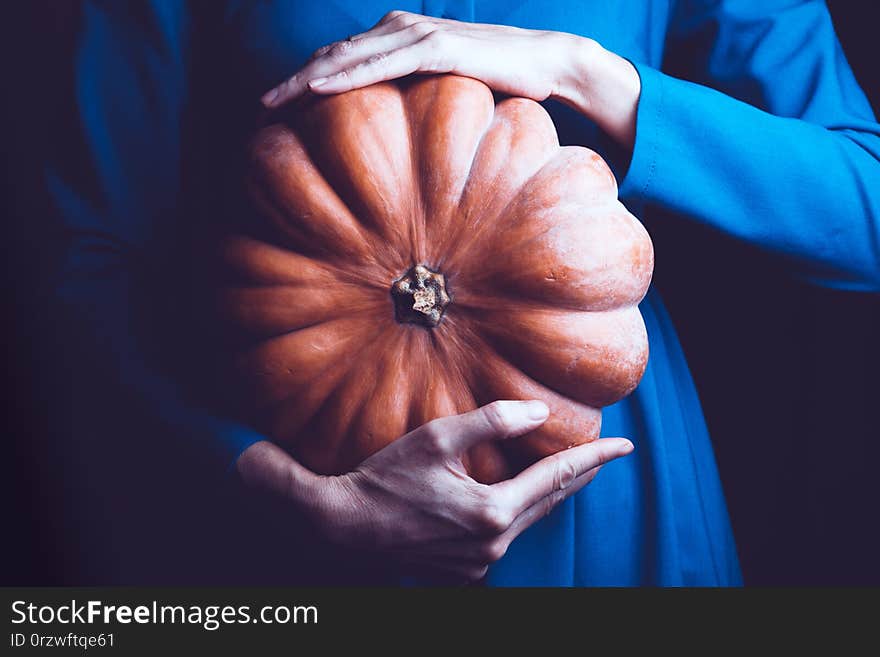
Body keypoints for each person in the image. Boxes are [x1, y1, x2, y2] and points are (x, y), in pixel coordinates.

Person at [45, 1, 879, 586]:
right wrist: (284, 493)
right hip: (288, 498)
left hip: (604, 497)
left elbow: (864, 201)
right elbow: (76, 259)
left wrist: (583, 73)